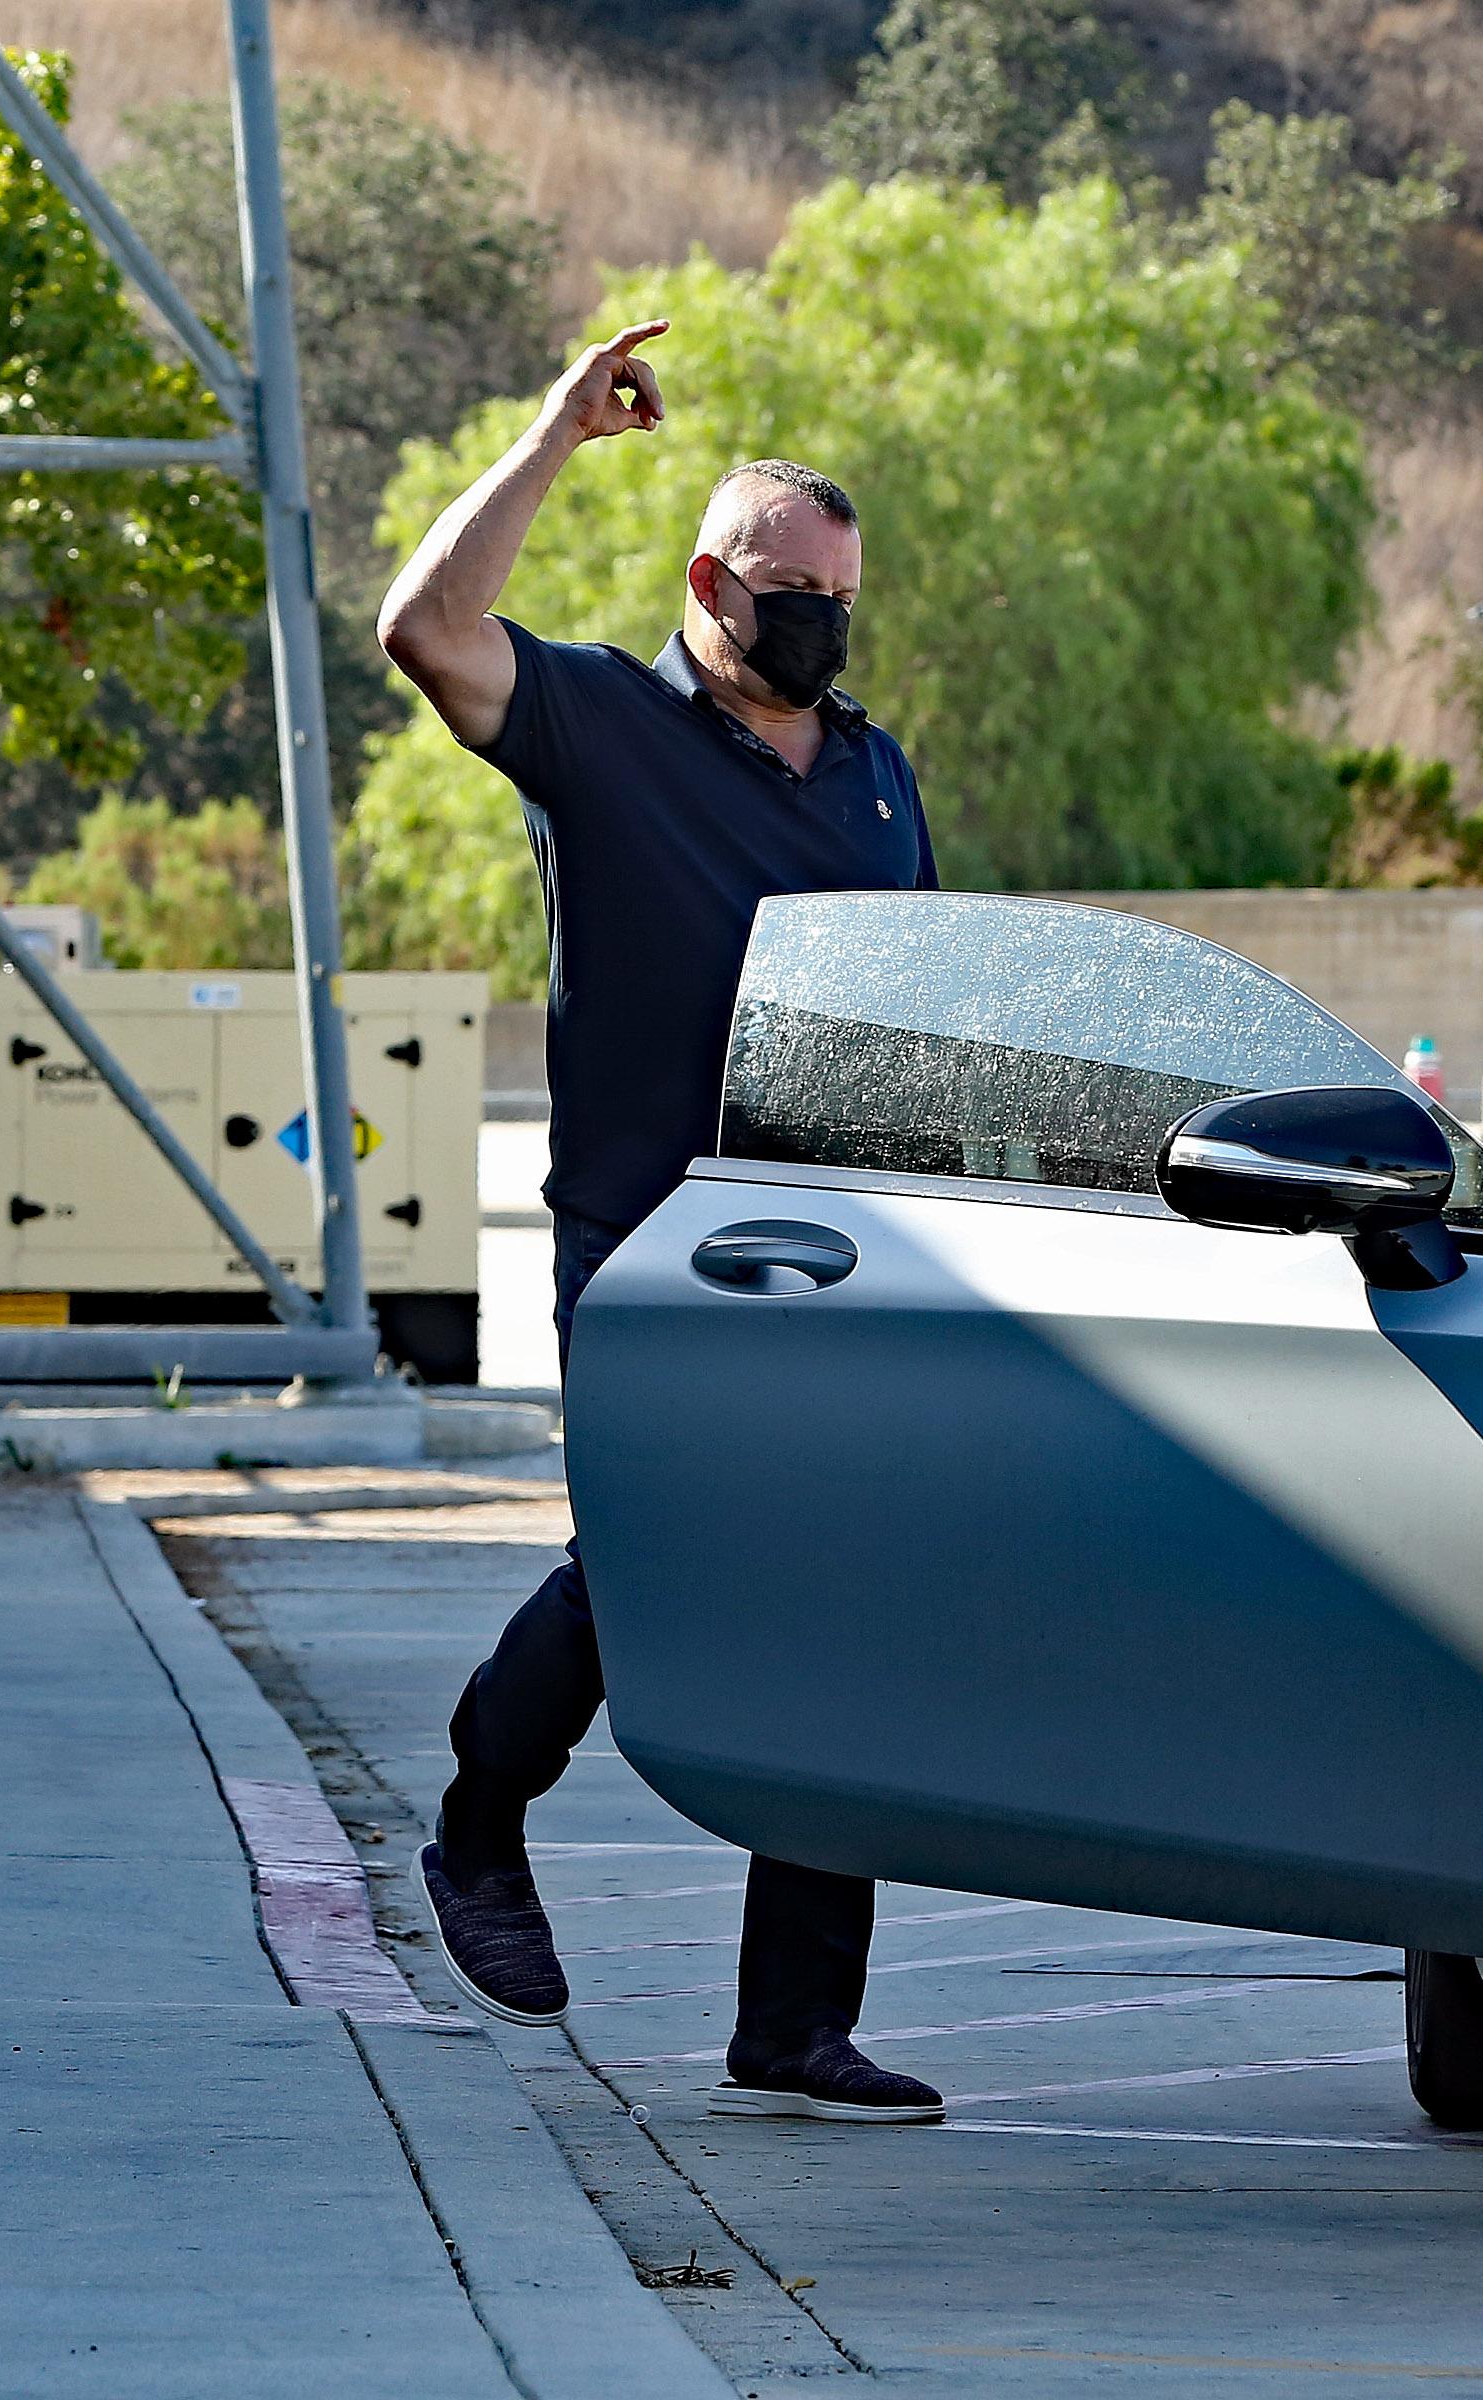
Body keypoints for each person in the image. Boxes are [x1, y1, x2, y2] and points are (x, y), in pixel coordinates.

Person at [376, 320, 944, 2123]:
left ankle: (794, 2023)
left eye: (845, 597)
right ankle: (479, 1820)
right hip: (654, 1244)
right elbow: (424, 633)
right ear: (709, 583)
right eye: (793, 592)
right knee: (657, 1564)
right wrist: (550, 434)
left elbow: (929, 994)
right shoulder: (603, 725)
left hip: (853, 1249)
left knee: (843, 1605)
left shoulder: (874, 769)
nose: (824, 625)